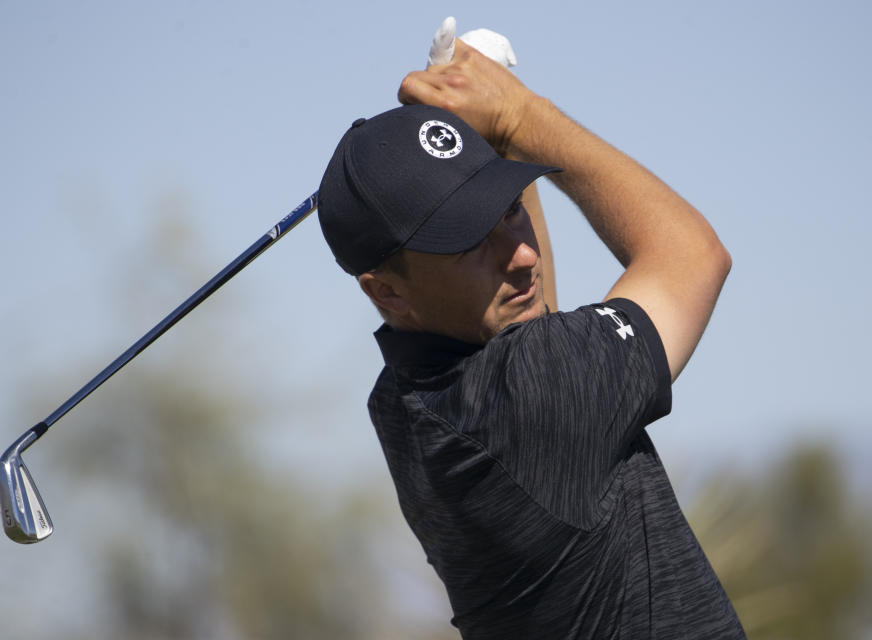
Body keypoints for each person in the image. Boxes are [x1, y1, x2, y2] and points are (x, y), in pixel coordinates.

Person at [317, 22, 744, 639]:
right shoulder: (527, 400)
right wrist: (516, 116)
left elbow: (530, 320)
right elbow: (694, 256)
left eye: (508, 206)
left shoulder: (404, 402)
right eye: (468, 240)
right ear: (387, 291)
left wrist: (483, 140)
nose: (521, 255)